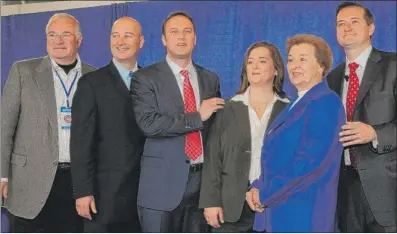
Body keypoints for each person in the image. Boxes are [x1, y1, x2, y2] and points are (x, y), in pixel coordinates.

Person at [1, 13, 95, 232]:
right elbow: (4, 127)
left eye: (65, 35)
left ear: (79, 40)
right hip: (29, 182)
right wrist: (2, 174)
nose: (58, 41)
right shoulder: (23, 71)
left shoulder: (94, 77)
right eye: (52, 35)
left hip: (77, 184)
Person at [130, 11, 223, 232]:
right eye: (174, 32)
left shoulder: (210, 79)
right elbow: (149, 124)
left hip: (202, 187)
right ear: (164, 39)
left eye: (187, 32)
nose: (181, 37)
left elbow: (216, 133)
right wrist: (197, 117)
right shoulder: (145, 78)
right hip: (160, 188)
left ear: (195, 38)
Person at [246, 34, 346, 232]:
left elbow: (308, 163)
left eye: (303, 59)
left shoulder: (325, 102)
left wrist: (265, 193)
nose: (294, 65)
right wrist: (256, 186)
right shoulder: (296, 103)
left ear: (321, 66)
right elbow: (278, 159)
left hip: (304, 215)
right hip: (282, 212)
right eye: (291, 59)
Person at [199, 41, 289, 232]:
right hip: (230, 208)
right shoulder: (226, 108)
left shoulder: (290, 109)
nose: (255, 66)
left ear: (276, 69)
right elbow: (213, 157)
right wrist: (211, 201)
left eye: (262, 61)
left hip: (274, 204)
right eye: (250, 62)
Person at [69, 17, 145, 232]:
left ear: (141, 41)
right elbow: (80, 142)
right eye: (115, 36)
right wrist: (83, 191)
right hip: (104, 198)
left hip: (145, 196)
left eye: (128, 35)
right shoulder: (91, 83)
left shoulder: (152, 81)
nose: (120, 41)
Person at [327, 2, 397, 232]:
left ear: (371, 28)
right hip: (345, 192)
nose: (346, 27)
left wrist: (375, 133)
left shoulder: (393, 65)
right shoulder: (332, 79)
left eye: (354, 21)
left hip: (387, 188)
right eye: (341, 24)